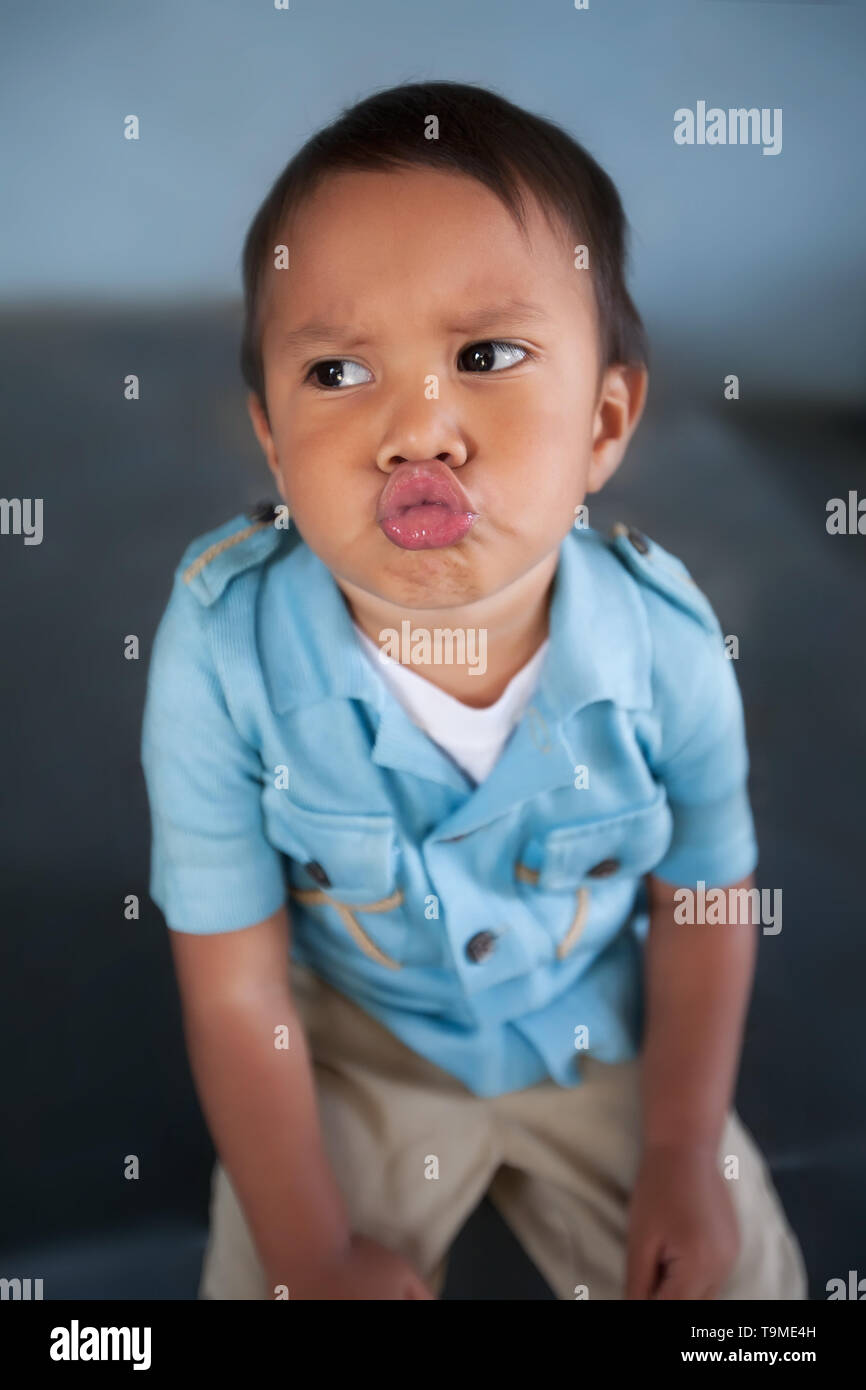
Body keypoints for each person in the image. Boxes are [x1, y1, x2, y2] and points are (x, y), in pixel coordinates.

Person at [141, 80, 808, 1300]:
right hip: (349, 1047)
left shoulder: (664, 647)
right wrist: (309, 1250)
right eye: (339, 371)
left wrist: (675, 1148)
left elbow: (707, 895)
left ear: (603, 421)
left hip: (594, 1036)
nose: (417, 429)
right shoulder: (221, 648)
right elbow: (236, 988)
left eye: (485, 356)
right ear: (273, 443)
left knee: (743, 1297)